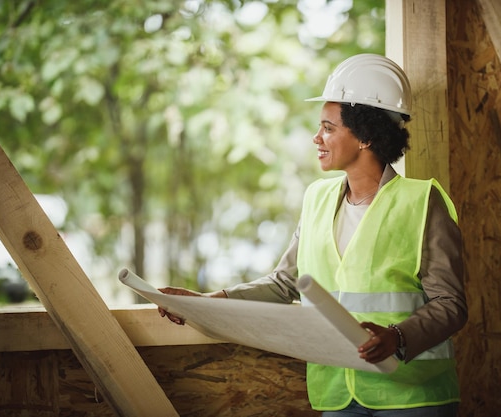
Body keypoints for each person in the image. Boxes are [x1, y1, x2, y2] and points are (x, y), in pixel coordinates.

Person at [159, 53, 468, 417]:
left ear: (366, 136)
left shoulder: (421, 201)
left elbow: (451, 305)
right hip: (338, 395)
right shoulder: (316, 199)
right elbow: (283, 283)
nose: (316, 137)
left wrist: (397, 337)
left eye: (328, 128)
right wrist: (207, 302)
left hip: (412, 396)